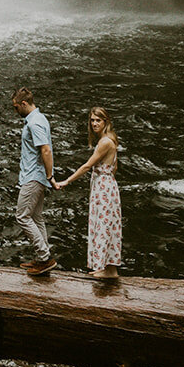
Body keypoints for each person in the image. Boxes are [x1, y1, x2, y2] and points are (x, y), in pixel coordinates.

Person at [53, 106, 121, 279]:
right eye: (92, 120)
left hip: (104, 188)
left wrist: (67, 181)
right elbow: (114, 167)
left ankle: (108, 269)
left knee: (103, 225)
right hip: (107, 186)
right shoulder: (110, 139)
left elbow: (87, 165)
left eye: (98, 120)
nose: (94, 124)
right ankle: (111, 269)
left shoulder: (105, 142)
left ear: (106, 121)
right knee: (108, 225)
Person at [11, 86, 57, 276]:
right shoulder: (39, 118)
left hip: (34, 177)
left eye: (16, 107)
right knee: (36, 217)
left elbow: (45, 149)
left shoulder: (34, 123)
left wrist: (49, 176)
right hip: (35, 176)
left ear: (24, 103)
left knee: (22, 216)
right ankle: (42, 258)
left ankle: (44, 257)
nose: (15, 111)